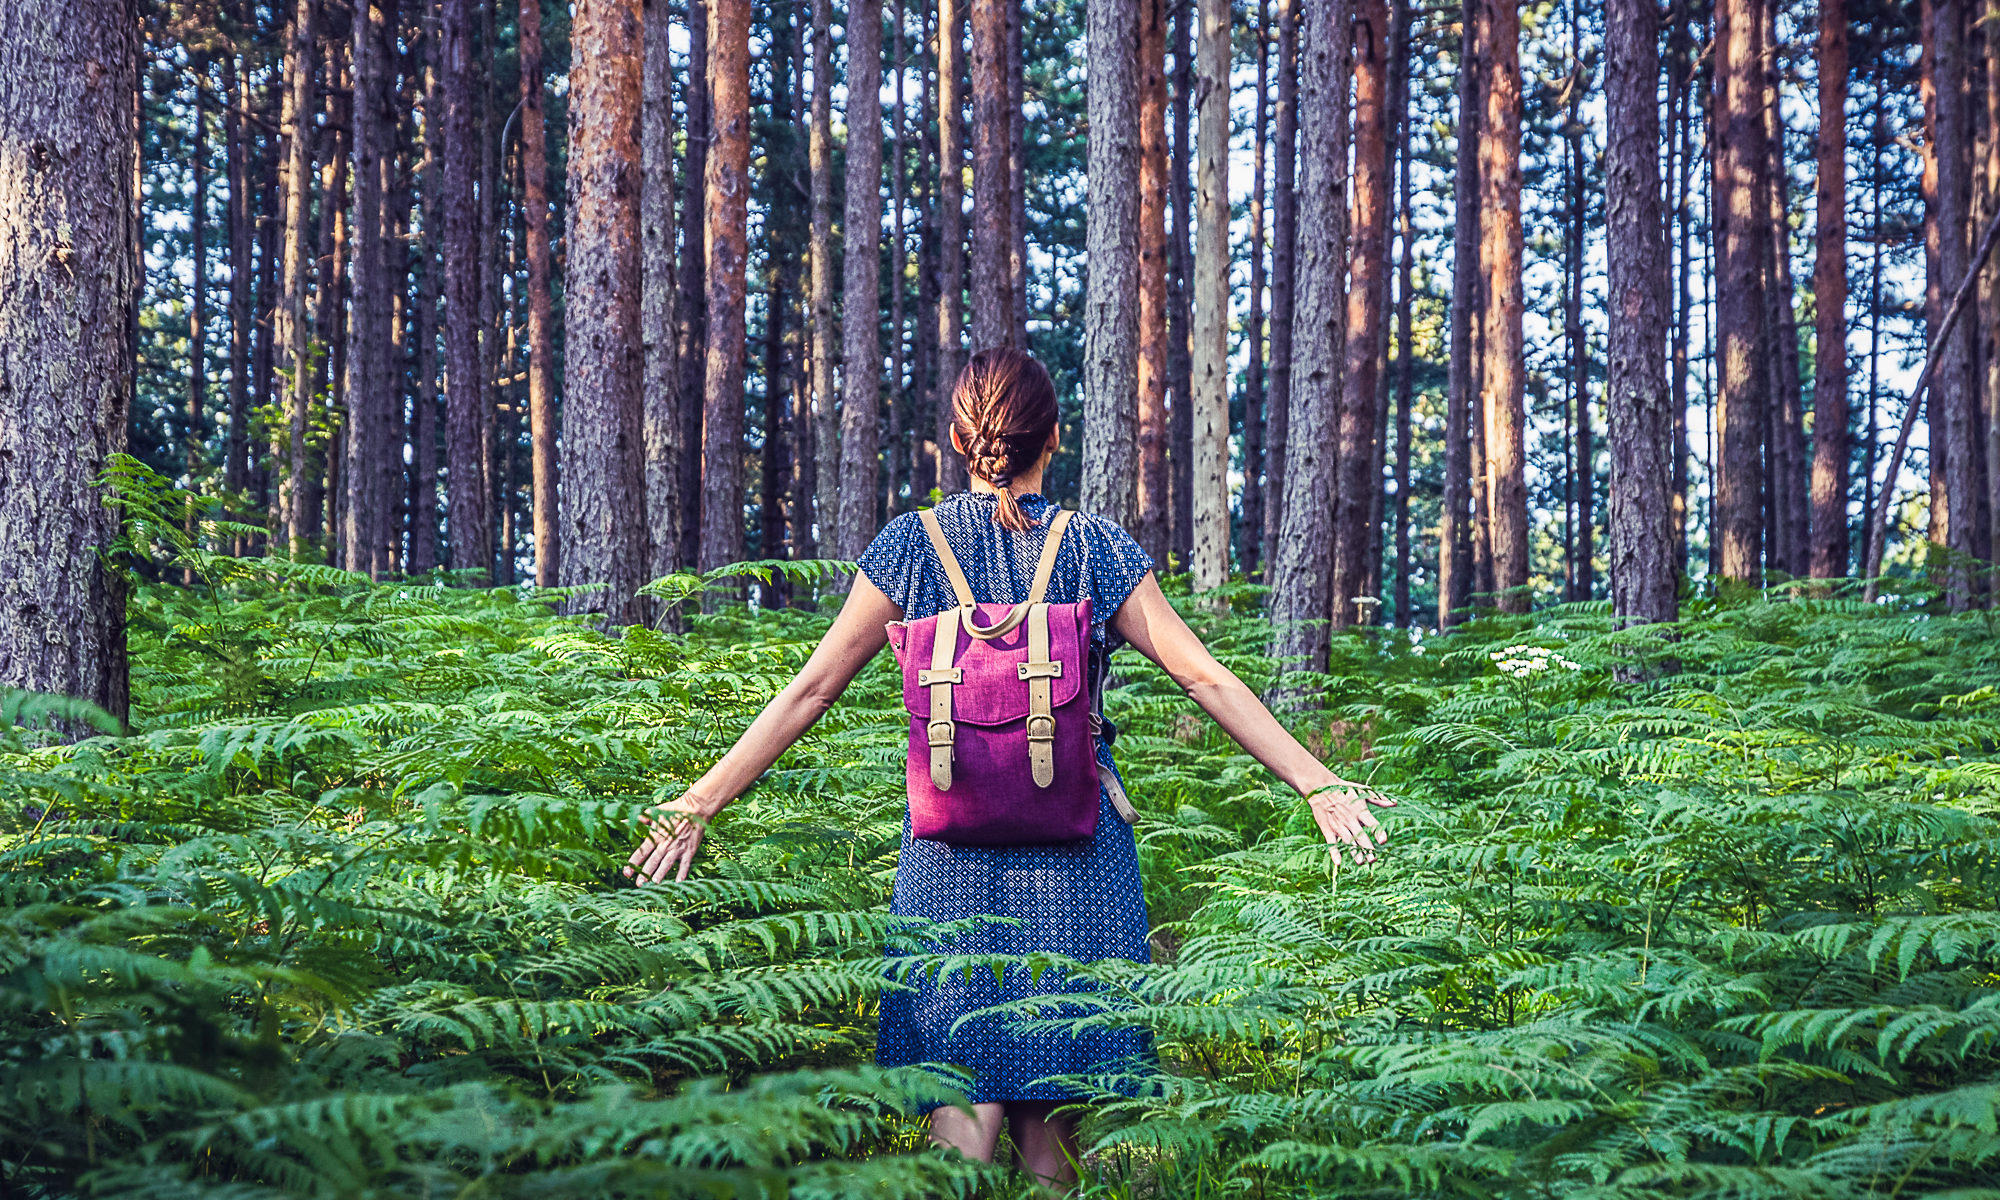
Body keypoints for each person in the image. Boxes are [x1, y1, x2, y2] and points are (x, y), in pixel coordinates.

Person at [627, 347, 1393, 1190]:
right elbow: (1201, 674)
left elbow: (811, 690)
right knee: (1051, 1134)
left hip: (948, 855)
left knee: (959, 1109)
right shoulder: (1096, 547)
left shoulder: (909, 548)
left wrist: (699, 801)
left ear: (961, 439)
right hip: (1079, 856)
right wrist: (1316, 780)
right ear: (1052, 439)